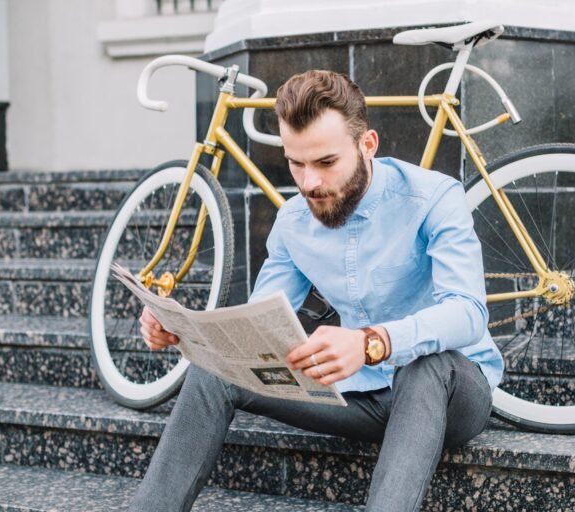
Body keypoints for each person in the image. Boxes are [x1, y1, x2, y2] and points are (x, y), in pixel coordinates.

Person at [129, 69, 503, 511]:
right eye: (295, 163)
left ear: (368, 145)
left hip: (450, 396)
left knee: (425, 366)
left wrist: (372, 343)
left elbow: (467, 312)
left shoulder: (435, 198)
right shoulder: (292, 222)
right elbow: (259, 327)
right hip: (357, 396)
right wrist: (184, 332)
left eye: (326, 163)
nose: (309, 183)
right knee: (213, 374)